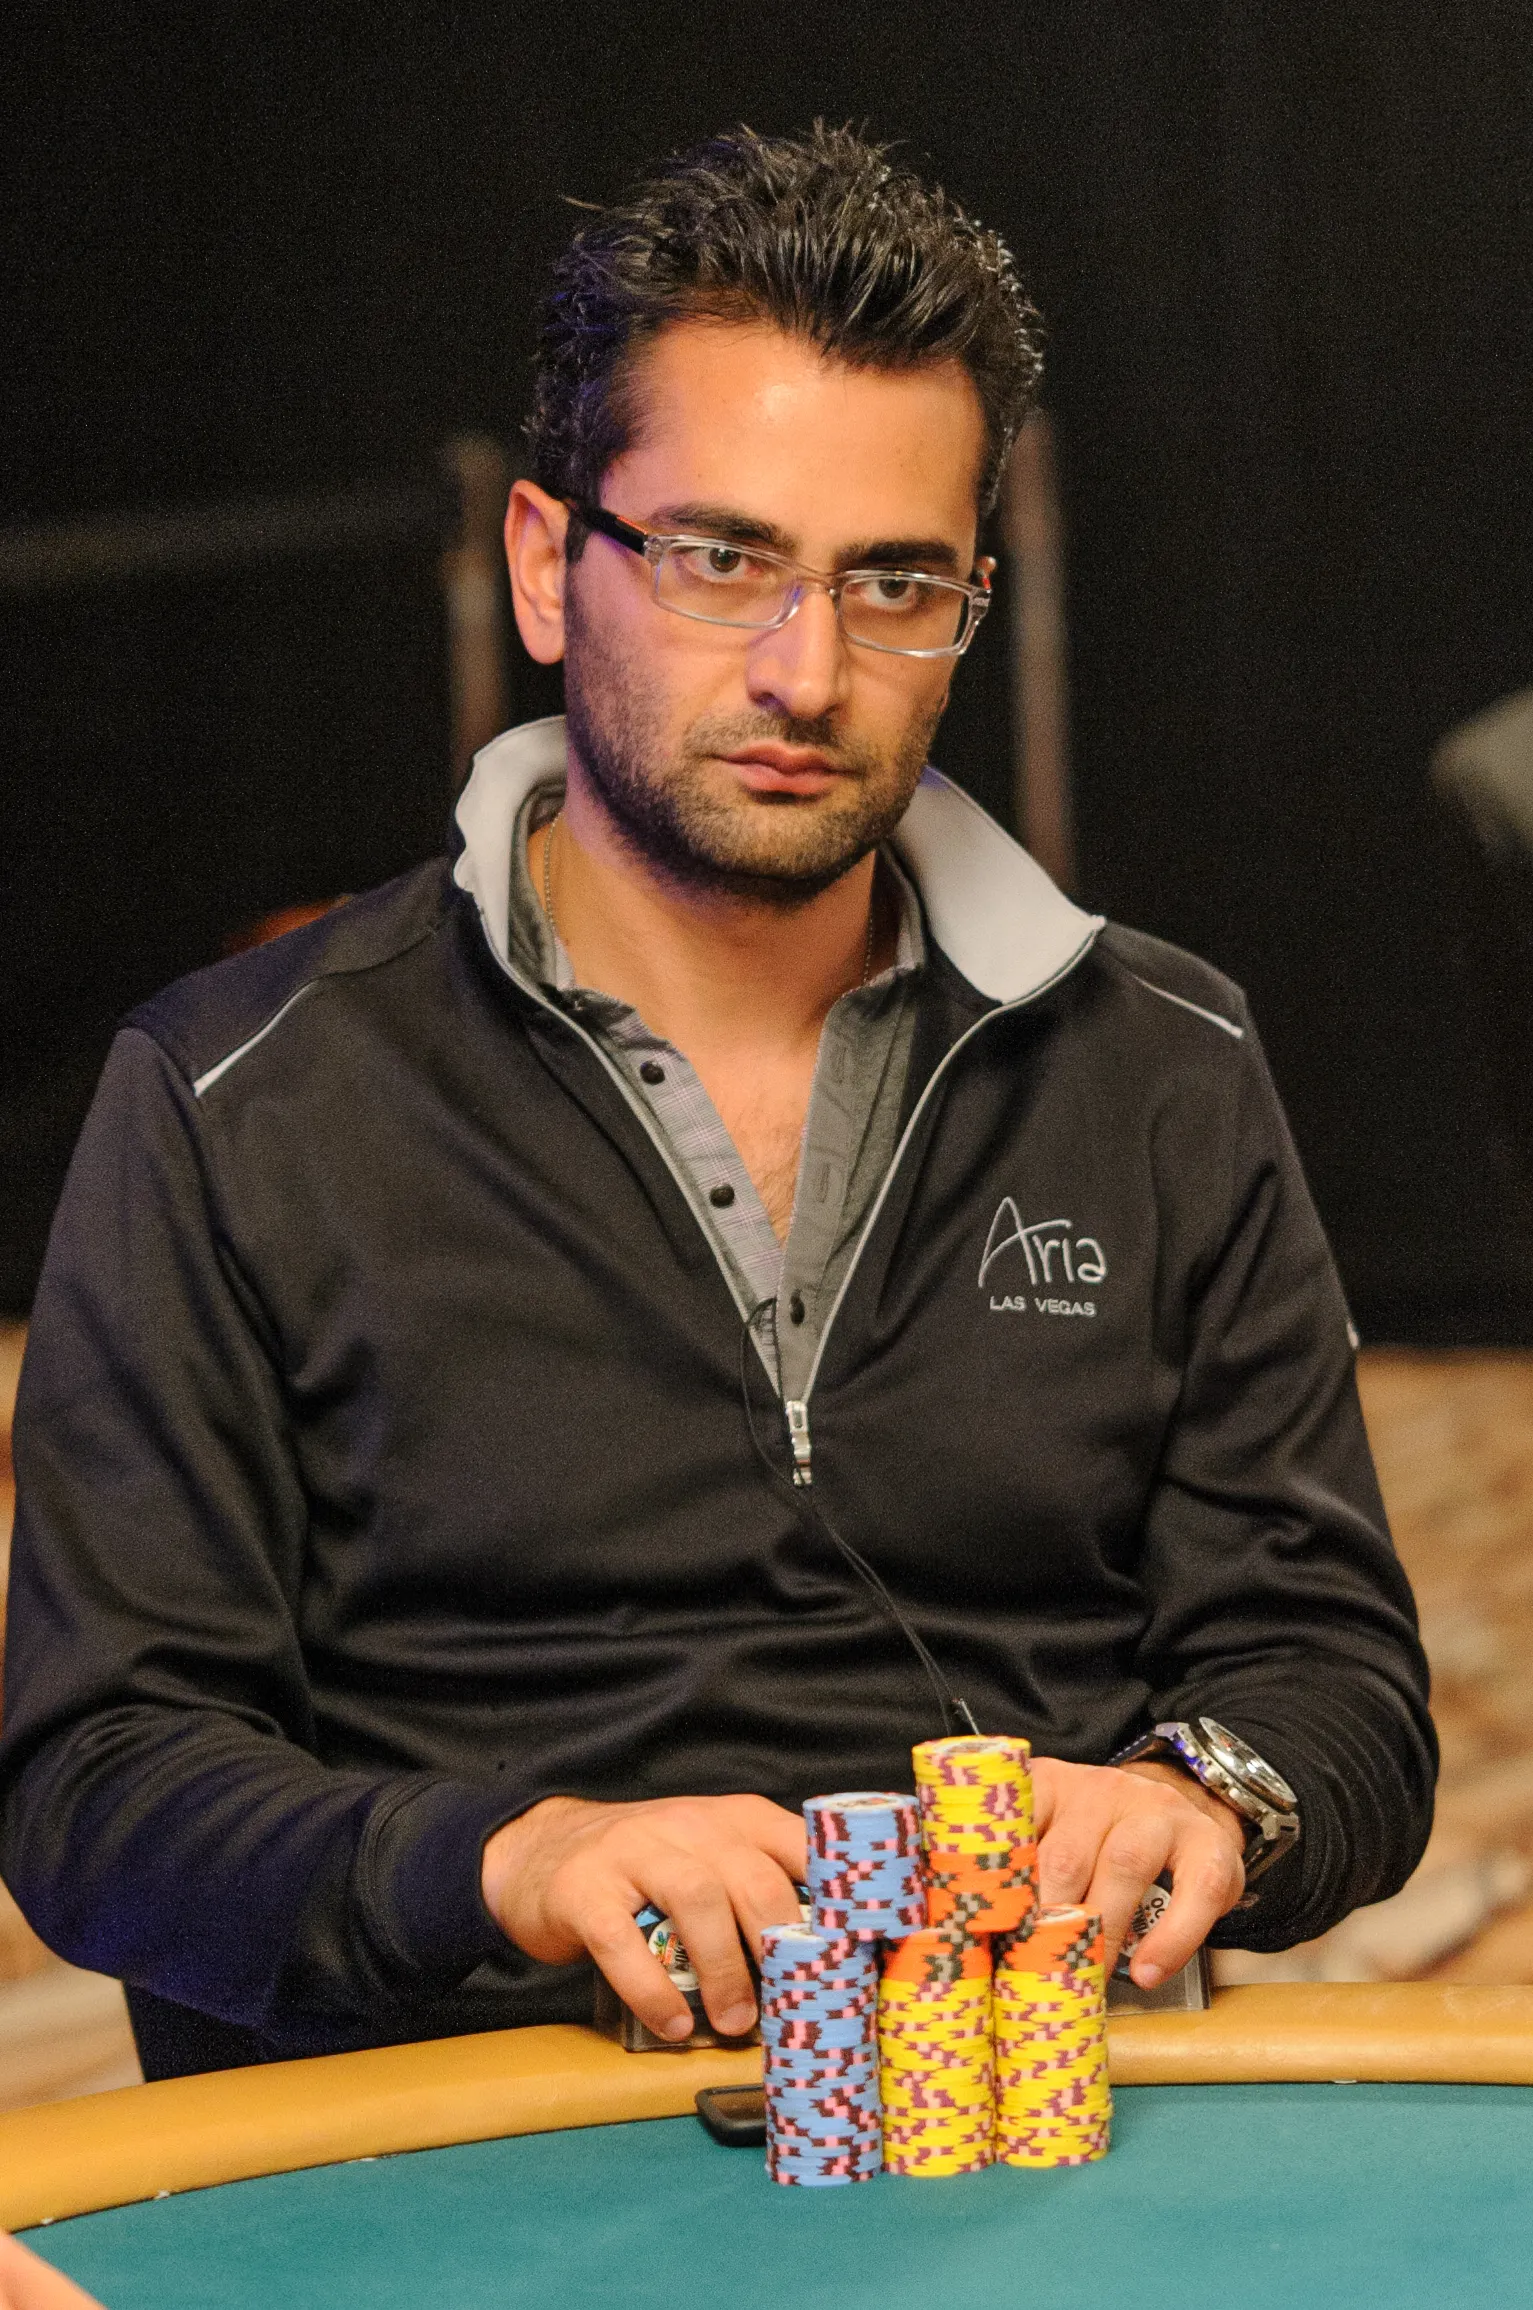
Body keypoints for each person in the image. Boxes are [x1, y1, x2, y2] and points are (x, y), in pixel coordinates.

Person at [0, 126, 1434, 2080]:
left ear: (969, 606)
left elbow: (1336, 1684)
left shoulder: (1163, 1061)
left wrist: (1208, 1796)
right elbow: (100, 1790)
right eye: (718, 559)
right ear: (543, 566)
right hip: (439, 2148)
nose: (804, 669)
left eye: (892, 582)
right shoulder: (234, 1094)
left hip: (1016, 2132)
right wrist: (507, 1861)